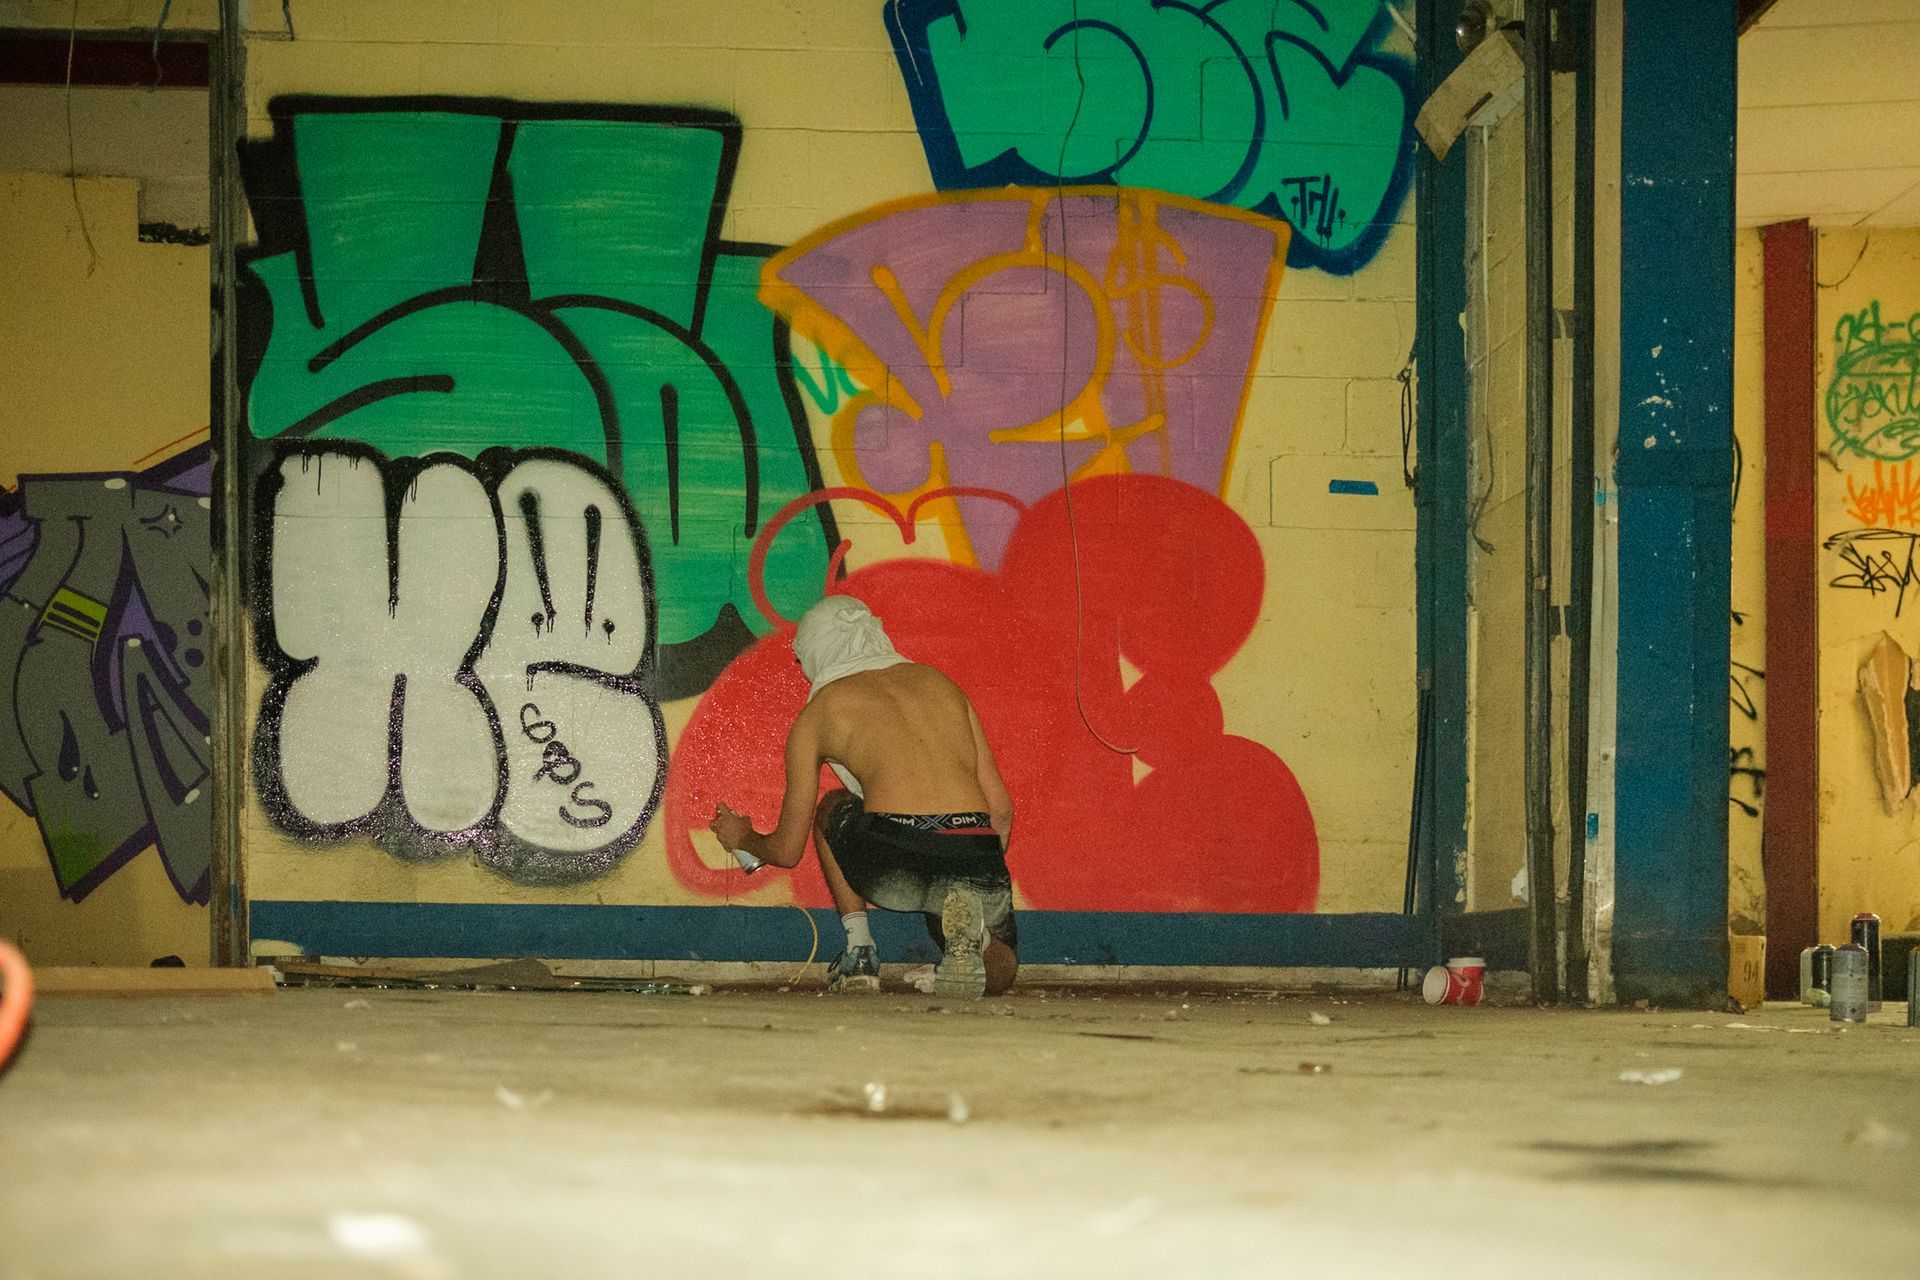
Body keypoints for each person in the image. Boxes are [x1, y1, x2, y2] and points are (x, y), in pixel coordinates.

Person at [709, 595, 1018, 997]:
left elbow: (787, 850)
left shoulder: (820, 712)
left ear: (817, 651)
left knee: (832, 807)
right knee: (999, 971)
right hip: (975, 844)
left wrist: (742, 838)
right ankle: (978, 942)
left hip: (895, 853)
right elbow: (1001, 811)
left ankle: (861, 952)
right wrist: (976, 866)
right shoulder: (942, 685)